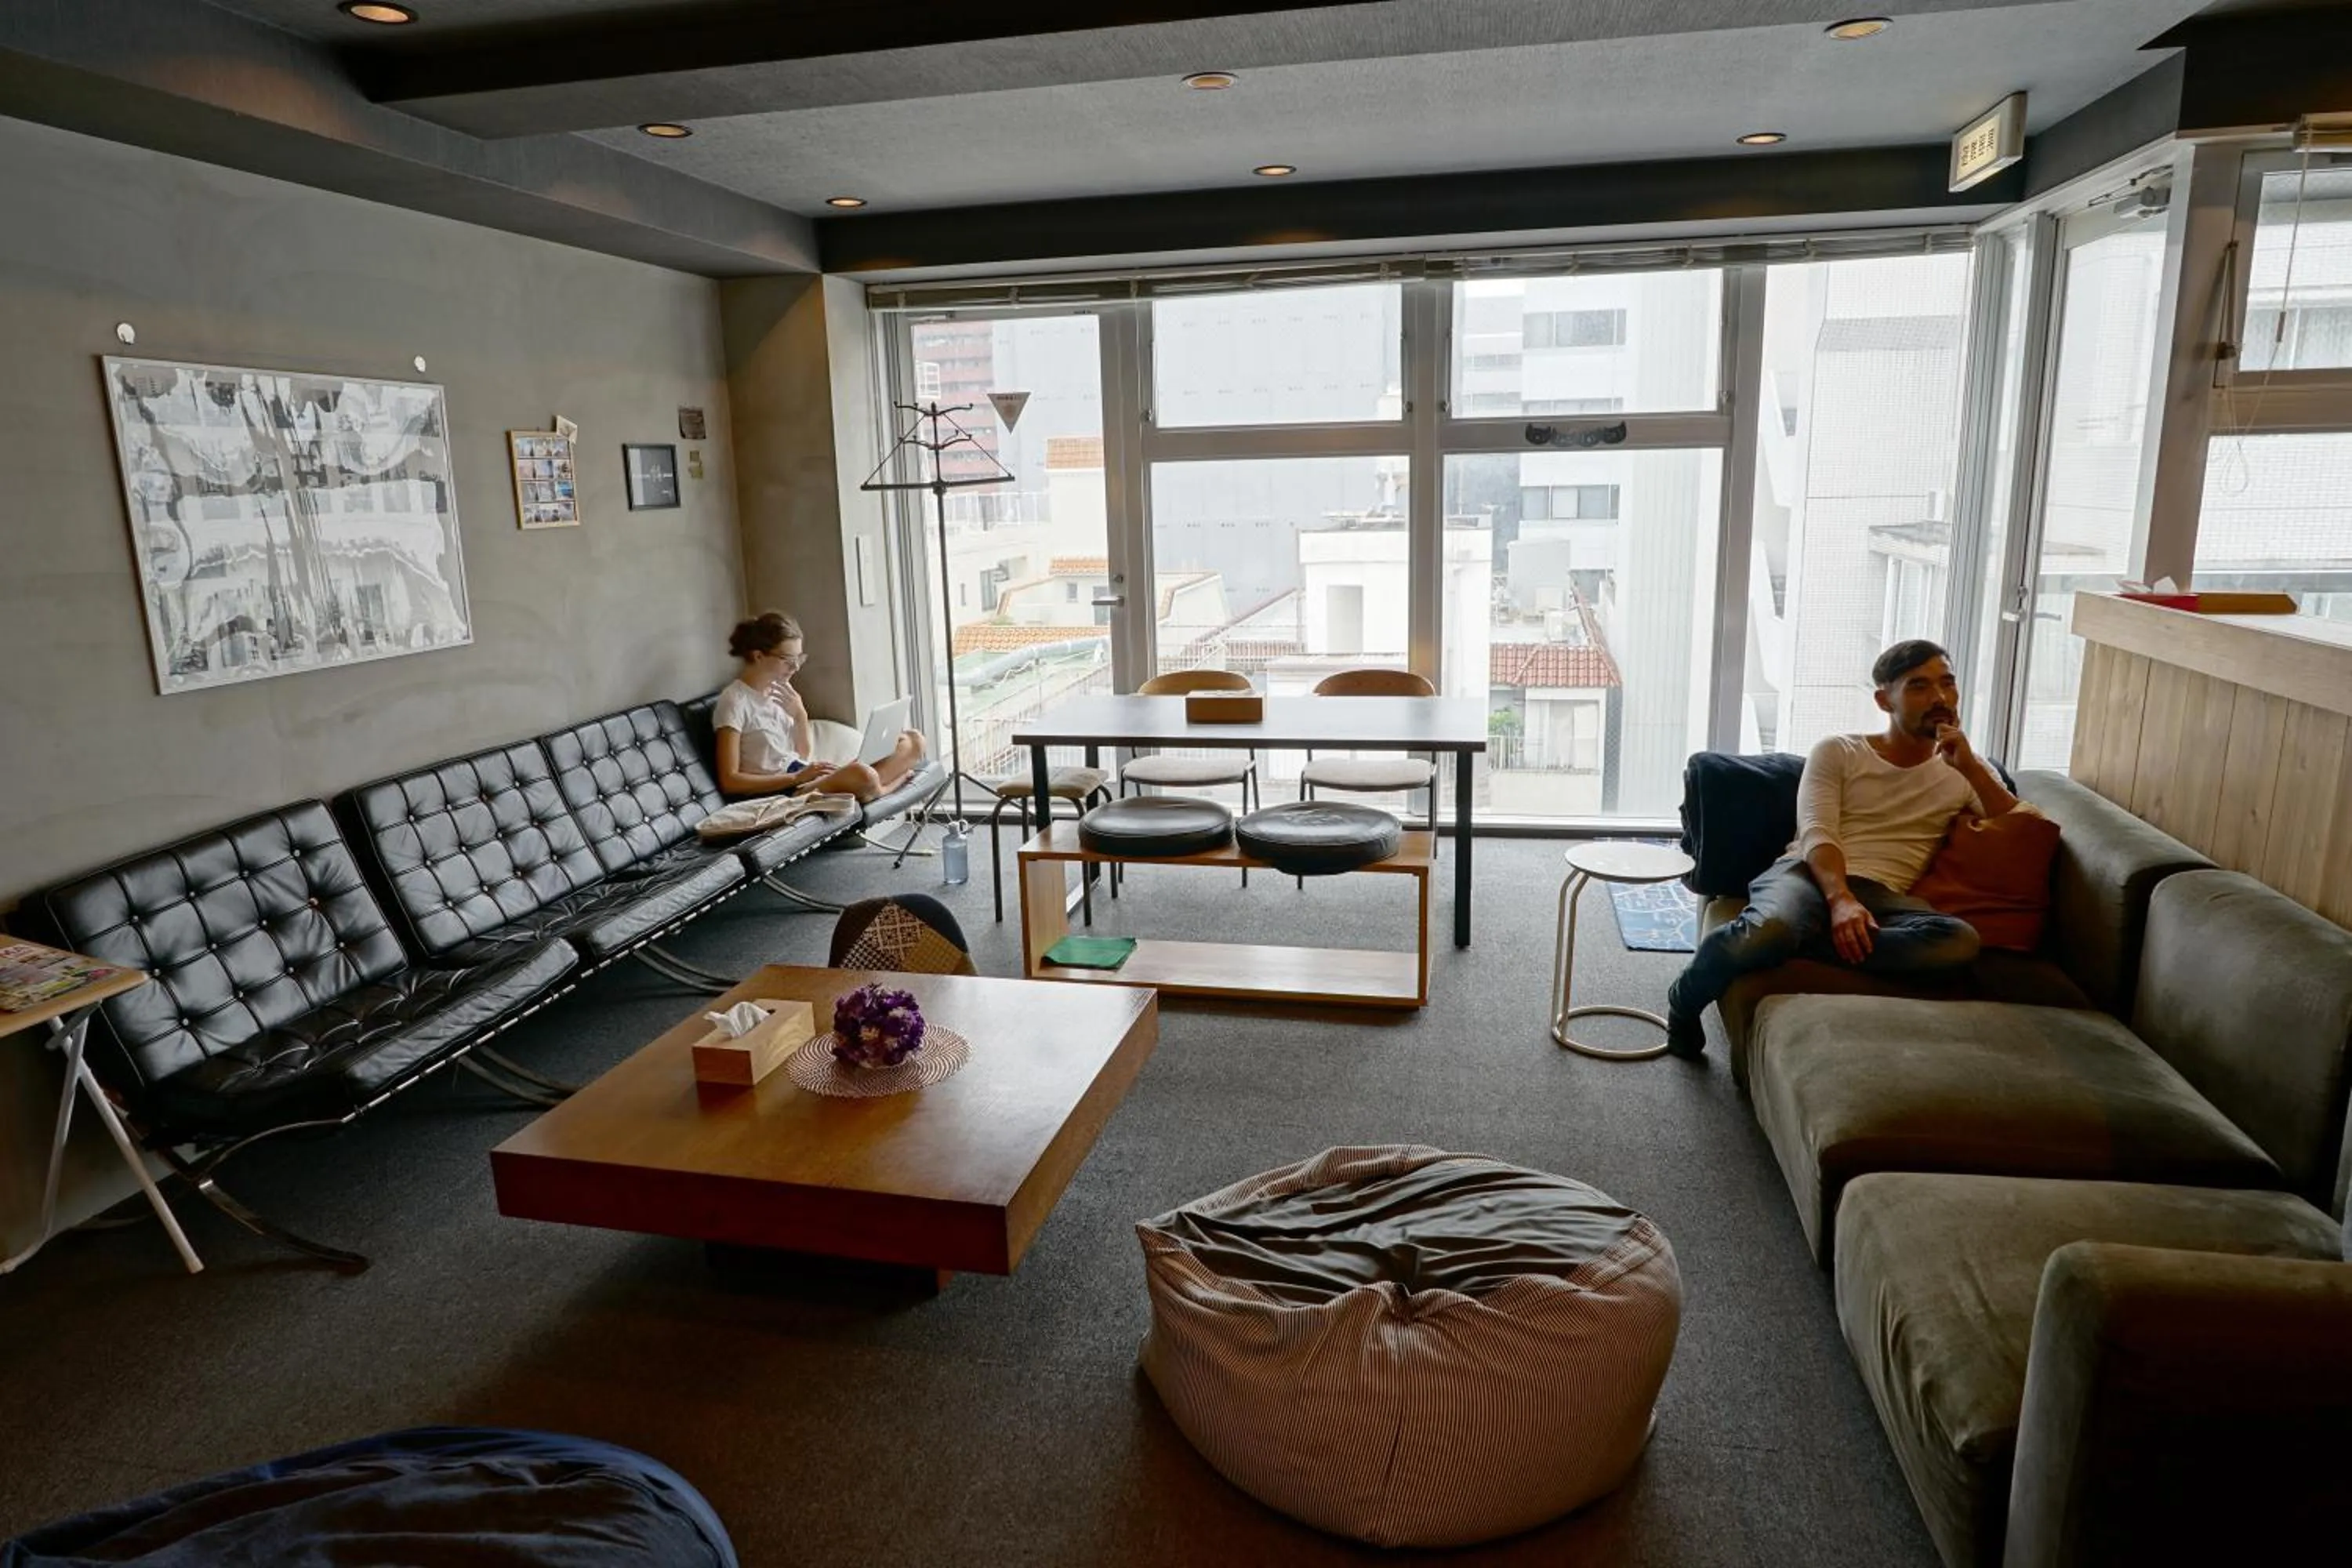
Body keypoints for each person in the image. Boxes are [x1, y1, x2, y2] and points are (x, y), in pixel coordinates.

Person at [1663, 638, 2020, 1059]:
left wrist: (1974, 769)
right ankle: (1683, 1001)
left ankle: (1796, 939)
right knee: (1769, 930)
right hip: (1807, 872)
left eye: (1948, 683)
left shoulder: (1963, 769)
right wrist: (1841, 901)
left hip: (1885, 894)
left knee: (1957, 942)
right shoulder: (1839, 750)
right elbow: (1816, 829)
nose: (1941, 697)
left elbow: (2020, 826)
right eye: (1919, 686)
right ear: (1885, 700)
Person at [711, 611, 926, 803]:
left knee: (912, 741)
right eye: (788, 659)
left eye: (799, 659)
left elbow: (803, 753)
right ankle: (884, 787)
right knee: (863, 775)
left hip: (807, 778)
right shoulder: (734, 701)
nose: (795, 667)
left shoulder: (781, 691)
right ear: (758, 656)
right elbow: (730, 781)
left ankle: (872, 787)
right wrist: (796, 778)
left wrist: (800, 714)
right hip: (783, 791)